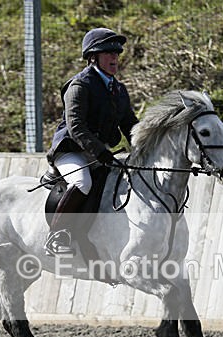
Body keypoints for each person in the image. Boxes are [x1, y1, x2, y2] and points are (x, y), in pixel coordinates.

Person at [44, 27, 139, 256]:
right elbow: (76, 127)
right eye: (108, 53)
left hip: (98, 152)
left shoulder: (118, 89)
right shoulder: (79, 86)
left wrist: (144, 146)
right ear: (93, 57)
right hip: (71, 150)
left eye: (116, 53)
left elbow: (130, 124)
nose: (114, 57)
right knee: (82, 182)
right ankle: (57, 236)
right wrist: (100, 151)